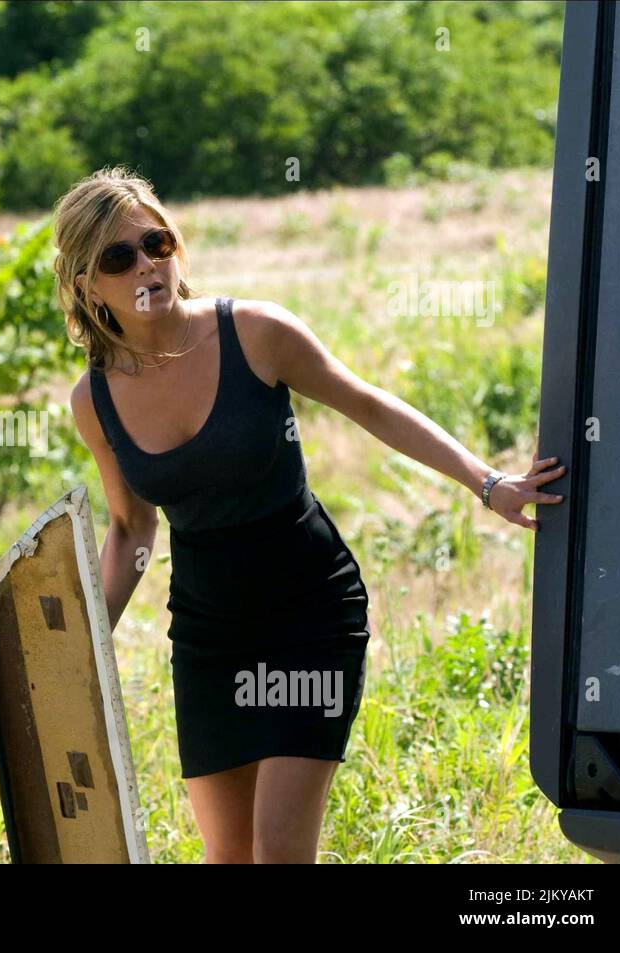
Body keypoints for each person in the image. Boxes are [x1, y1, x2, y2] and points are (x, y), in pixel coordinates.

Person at [53, 165, 567, 863]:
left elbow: (371, 405)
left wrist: (487, 481)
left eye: (158, 243)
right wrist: (82, 646)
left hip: (309, 614)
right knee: (230, 856)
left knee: (279, 852)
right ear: (87, 283)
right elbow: (131, 527)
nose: (147, 264)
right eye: (120, 256)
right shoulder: (95, 400)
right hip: (209, 636)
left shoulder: (254, 333)